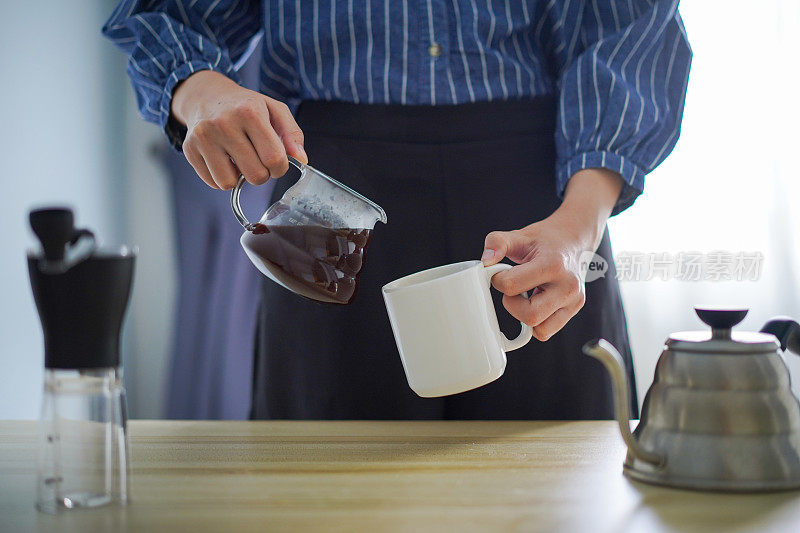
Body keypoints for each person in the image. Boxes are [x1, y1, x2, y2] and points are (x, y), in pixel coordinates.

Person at [104, 0, 691, 420]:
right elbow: (161, 15)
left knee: (563, 490)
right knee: (324, 498)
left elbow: (631, 29)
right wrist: (204, 92)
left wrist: (577, 228)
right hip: (327, 201)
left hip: (546, 217)